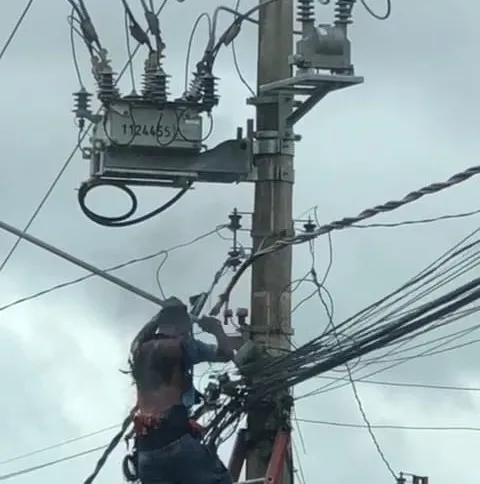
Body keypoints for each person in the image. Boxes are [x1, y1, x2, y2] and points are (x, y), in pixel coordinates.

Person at [128, 299, 234, 484]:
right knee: (220, 480)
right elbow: (226, 354)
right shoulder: (183, 346)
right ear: (184, 324)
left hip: (146, 450)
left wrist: (157, 318)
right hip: (174, 440)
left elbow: (140, 336)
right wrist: (216, 329)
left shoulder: (139, 349)